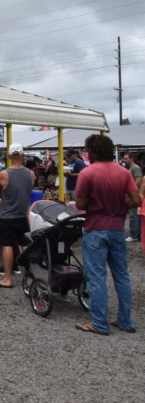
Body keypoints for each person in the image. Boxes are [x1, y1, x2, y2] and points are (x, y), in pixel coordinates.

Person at [74, 134, 141, 335]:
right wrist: (121, 207)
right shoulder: (124, 172)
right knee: (122, 276)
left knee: (96, 276)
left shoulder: (87, 173)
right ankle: (125, 321)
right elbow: (137, 200)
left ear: (92, 152)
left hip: (95, 228)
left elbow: (80, 204)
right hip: (117, 228)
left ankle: (99, 323)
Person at [0, 143, 35, 288]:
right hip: (24, 215)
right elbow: (29, 189)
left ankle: (7, 279)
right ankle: (30, 275)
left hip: (7, 216)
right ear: (23, 156)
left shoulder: (3, 174)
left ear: (9, 156)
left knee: (7, 246)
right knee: (25, 245)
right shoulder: (31, 173)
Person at [123, 152, 142, 242]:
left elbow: (138, 180)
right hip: (134, 194)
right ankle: (137, 234)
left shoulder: (135, 168)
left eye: (126, 158)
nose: (124, 160)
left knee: (133, 215)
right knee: (135, 216)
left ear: (131, 158)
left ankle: (134, 235)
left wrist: (130, 190)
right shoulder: (131, 168)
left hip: (134, 194)